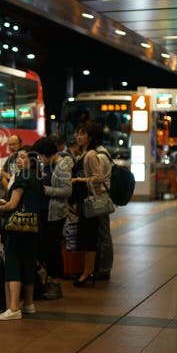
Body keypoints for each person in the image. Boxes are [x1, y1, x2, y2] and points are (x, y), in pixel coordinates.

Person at [0, 147, 43, 320]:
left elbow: (13, 204)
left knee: (13, 263)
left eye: (23, 157)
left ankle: (13, 308)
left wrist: (1, 205)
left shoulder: (22, 177)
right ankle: (28, 304)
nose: (18, 161)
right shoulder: (37, 178)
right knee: (29, 264)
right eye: (18, 158)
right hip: (33, 228)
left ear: (31, 161)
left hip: (17, 228)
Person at [71, 121, 112, 286]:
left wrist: (79, 179)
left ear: (89, 137)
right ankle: (87, 271)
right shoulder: (83, 154)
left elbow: (99, 178)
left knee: (90, 240)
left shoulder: (90, 155)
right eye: (77, 133)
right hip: (83, 203)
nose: (78, 137)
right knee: (86, 239)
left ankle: (88, 273)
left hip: (91, 204)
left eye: (82, 134)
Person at [33, 137, 74, 299]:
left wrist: (46, 190)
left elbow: (67, 191)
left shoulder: (62, 166)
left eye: (41, 156)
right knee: (44, 248)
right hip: (44, 213)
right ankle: (47, 281)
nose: (40, 159)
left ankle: (55, 285)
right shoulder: (47, 165)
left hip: (55, 215)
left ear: (47, 154)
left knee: (53, 250)